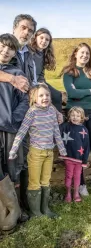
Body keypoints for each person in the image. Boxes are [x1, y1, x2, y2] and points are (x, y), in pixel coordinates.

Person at [9, 83, 67, 218]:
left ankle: (45, 209)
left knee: (45, 181)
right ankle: (36, 213)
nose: (45, 97)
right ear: (34, 98)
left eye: (47, 95)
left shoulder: (52, 111)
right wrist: (14, 149)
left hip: (49, 153)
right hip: (36, 153)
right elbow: (22, 132)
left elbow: (56, 132)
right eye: (41, 95)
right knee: (34, 182)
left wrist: (62, 149)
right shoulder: (32, 112)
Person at [61, 42, 91, 201]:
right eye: (81, 53)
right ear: (75, 54)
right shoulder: (69, 72)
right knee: (77, 150)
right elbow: (70, 92)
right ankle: (81, 184)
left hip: (90, 111)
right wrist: (88, 91)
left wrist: (79, 94)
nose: (84, 56)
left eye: (87, 53)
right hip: (74, 113)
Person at [0, 33, 29, 232]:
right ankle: (6, 211)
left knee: (12, 168)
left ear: (15, 52)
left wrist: (14, 119)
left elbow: (25, 101)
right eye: (2, 46)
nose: (5, 51)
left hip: (10, 127)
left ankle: (15, 211)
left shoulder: (18, 73)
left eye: (10, 48)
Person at [59, 107, 90, 203]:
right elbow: (57, 134)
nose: (75, 117)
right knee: (69, 175)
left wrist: (84, 160)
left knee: (77, 176)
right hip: (68, 156)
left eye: (78, 115)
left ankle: (76, 193)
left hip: (79, 159)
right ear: (69, 116)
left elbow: (86, 145)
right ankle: (68, 193)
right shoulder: (65, 126)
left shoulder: (84, 129)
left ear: (82, 117)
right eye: (73, 115)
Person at [29, 28, 62, 112]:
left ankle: (56, 119)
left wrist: (43, 84)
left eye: (47, 40)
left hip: (39, 82)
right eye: (41, 38)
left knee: (57, 95)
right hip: (29, 81)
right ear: (35, 37)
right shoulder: (29, 52)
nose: (44, 41)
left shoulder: (44, 55)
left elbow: (41, 74)